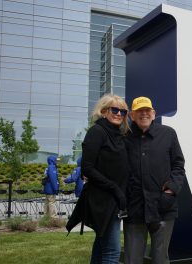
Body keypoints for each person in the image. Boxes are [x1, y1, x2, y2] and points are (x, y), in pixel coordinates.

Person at [66, 94, 130, 264]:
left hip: (113, 199)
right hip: (102, 200)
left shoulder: (118, 135)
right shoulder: (97, 132)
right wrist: (114, 188)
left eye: (123, 111)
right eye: (114, 109)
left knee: (101, 246)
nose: (119, 114)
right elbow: (88, 168)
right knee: (112, 252)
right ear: (103, 112)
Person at [124, 96, 186, 264]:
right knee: (132, 259)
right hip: (134, 208)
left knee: (160, 259)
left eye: (147, 110)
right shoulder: (124, 138)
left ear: (153, 113)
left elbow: (178, 165)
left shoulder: (168, 134)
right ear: (131, 115)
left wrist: (170, 191)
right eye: (139, 111)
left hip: (163, 208)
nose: (144, 114)